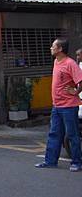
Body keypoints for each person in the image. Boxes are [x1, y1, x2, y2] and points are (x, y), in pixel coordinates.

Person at [36, 38, 82, 172]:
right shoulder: (56, 61)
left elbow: (80, 80)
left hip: (69, 106)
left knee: (72, 135)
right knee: (54, 133)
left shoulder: (70, 63)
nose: (51, 48)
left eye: (53, 46)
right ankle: (50, 161)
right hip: (57, 106)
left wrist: (76, 91)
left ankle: (76, 162)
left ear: (60, 49)